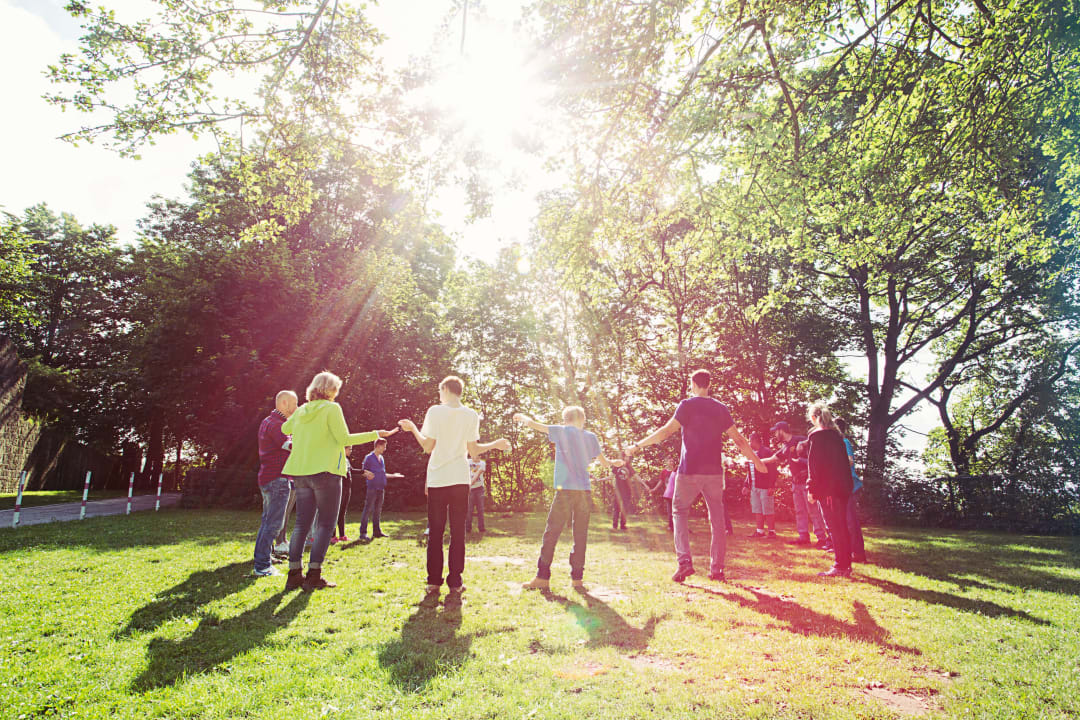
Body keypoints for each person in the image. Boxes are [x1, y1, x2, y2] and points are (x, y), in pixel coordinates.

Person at [627, 369, 768, 583]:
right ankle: (717, 570)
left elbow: (666, 432)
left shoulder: (687, 405)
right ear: (708, 385)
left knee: (679, 512)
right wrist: (757, 462)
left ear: (693, 384)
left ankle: (684, 563)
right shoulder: (721, 408)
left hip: (689, 471)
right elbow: (739, 439)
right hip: (713, 473)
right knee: (717, 520)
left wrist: (638, 445)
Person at [281, 371, 399, 591]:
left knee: (301, 523)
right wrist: (375, 433)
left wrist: (295, 415)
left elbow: (285, 428)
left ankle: (294, 574)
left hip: (300, 473)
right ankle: (313, 576)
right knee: (326, 523)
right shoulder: (332, 408)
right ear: (331, 390)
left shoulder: (302, 410)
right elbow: (344, 440)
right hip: (326, 473)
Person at [398, 376, 510, 598]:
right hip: (460, 479)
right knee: (458, 531)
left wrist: (412, 428)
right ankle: (455, 582)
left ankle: (433, 583)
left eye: (440, 390)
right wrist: (495, 444)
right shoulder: (470, 415)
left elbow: (428, 447)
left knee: (436, 531)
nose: (439, 395)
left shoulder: (435, 411)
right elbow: (474, 451)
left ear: (445, 389)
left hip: (438, 478)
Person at [515, 407, 624, 591]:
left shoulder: (561, 431)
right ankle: (577, 579)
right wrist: (614, 463)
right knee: (580, 535)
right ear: (583, 419)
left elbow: (535, 425)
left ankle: (542, 577)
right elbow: (604, 463)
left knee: (552, 533)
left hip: (565, 490)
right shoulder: (591, 437)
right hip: (584, 492)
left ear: (566, 420)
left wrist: (522, 417)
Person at [253, 390, 298, 577]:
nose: (296, 409)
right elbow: (291, 447)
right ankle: (262, 566)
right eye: (294, 405)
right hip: (277, 480)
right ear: (284, 403)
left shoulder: (268, 422)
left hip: (268, 478)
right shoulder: (278, 425)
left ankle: (265, 556)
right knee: (274, 523)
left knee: (267, 521)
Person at [805, 404, 854, 577]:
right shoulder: (837, 436)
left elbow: (814, 465)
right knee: (841, 526)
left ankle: (840, 565)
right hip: (843, 488)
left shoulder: (817, 436)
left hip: (829, 491)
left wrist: (811, 488)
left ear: (813, 418)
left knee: (834, 527)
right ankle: (845, 564)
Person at [770, 420, 829, 548]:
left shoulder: (801, 440)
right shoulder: (785, 447)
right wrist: (754, 460)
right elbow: (772, 459)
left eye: (776, 431)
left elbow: (815, 458)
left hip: (807, 482)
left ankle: (822, 539)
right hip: (795, 483)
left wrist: (802, 462)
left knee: (813, 510)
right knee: (800, 511)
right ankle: (803, 537)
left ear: (781, 430)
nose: (775, 434)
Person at [836, 418, 867, 563]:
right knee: (844, 520)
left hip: (850, 486)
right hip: (843, 486)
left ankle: (858, 554)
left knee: (851, 521)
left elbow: (850, 461)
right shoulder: (837, 444)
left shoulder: (844, 443)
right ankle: (850, 550)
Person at [359, 438, 402, 540]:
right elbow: (363, 471)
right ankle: (363, 533)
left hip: (381, 488)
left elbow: (382, 474)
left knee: (377, 510)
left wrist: (394, 476)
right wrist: (367, 475)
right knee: (367, 509)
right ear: (378, 446)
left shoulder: (381, 458)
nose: (385, 448)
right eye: (384, 446)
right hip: (372, 488)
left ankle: (377, 532)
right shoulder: (369, 458)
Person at [744, 432, 779, 538]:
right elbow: (750, 470)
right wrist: (746, 484)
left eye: (750, 440)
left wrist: (771, 486)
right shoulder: (751, 453)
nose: (749, 442)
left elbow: (773, 470)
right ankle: (760, 531)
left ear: (755, 440)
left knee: (768, 509)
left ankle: (771, 532)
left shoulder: (766, 452)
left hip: (765, 487)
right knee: (757, 509)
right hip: (754, 486)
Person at [331, 447, 355, 544]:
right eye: (349, 449)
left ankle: (342, 535)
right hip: (339, 489)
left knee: (342, 512)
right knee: (335, 512)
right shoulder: (338, 459)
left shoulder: (347, 460)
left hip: (347, 489)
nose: (351, 451)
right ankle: (332, 536)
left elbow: (351, 471)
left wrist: (364, 472)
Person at [646, 461, 676, 531]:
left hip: (677, 493)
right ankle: (671, 526)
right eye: (669, 459)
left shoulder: (676, 470)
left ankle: (678, 526)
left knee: (677, 510)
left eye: (671, 459)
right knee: (670, 511)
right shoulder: (664, 472)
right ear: (666, 462)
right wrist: (654, 489)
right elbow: (661, 482)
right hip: (669, 494)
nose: (670, 461)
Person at [610, 454, 634, 530]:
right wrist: (600, 479)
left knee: (624, 509)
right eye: (626, 457)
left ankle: (623, 525)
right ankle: (614, 525)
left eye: (628, 457)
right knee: (616, 508)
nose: (627, 459)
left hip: (627, 492)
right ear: (623, 457)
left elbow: (636, 476)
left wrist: (645, 485)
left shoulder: (629, 468)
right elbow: (611, 476)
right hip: (618, 491)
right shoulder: (617, 466)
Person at [466, 455, 487, 533]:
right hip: (470, 490)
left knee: (480, 509)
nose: (477, 457)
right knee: (469, 510)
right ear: (472, 455)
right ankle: (467, 528)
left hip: (479, 489)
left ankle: (481, 528)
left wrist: (469, 485)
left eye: (479, 456)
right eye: (475, 456)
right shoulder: (467, 462)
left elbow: (477, 475)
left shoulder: (482, 463)